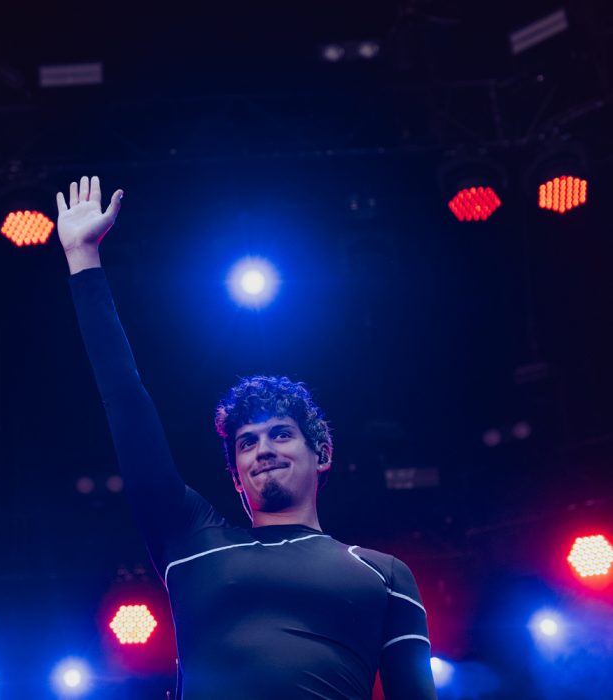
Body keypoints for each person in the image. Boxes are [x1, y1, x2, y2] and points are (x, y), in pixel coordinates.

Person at [57, 175, 438, 700]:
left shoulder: (383, 574)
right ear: (235, 475)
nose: (263, 450)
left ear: (322, 454)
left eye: (280, 434)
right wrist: (83, 260)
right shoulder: (190, 540)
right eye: (247, 443)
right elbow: (126, 402)